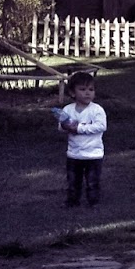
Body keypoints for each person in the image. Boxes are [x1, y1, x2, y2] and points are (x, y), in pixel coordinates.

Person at [56, 70, 106, 208]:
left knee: (92, 181)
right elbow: (61, 128)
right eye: (82, 90)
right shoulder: (68, 109)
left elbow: (101, 126)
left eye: (91, 89)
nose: (87, 93)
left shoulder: (97, 110)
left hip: (93, 154)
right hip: (74, 153)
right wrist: (65, 125)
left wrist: (78, 128)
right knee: (73, 180)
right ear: (72, 93)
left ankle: (93, 202)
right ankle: (72, 201)